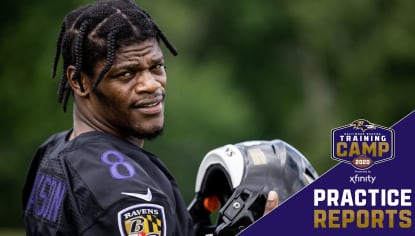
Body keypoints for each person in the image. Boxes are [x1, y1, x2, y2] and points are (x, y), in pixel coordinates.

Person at [22, 0, 278, 235]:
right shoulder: (131, 197)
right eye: (126, 74)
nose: (151, 85)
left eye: (156, 67)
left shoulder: (54, 150)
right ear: (78, 81)